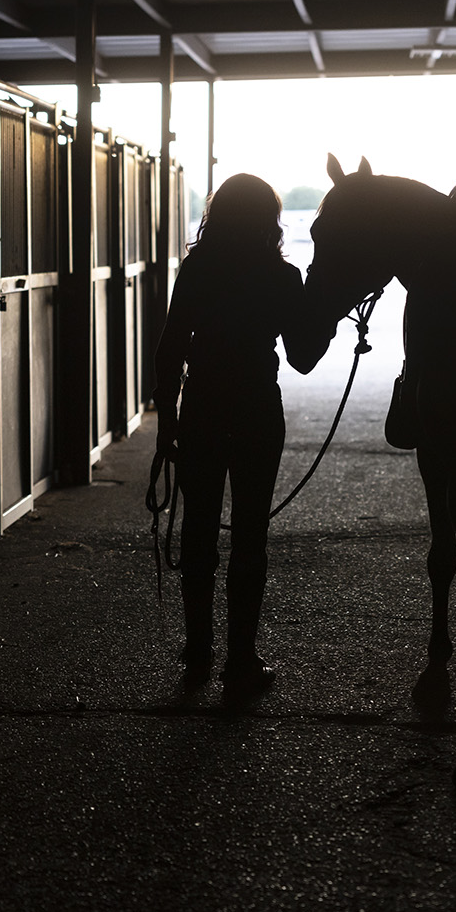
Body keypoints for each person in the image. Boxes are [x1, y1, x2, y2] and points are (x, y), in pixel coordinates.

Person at [153, 173, 312, 697]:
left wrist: (167, 424)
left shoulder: (199, 267)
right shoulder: (281, 276)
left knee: (198, 529)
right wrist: (328, 320)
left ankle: (198, 650)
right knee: (250, 536)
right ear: (269, 217)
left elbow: (171, 347)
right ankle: (240, 661)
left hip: (202, 408)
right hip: (257, 411)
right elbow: (304, 358)